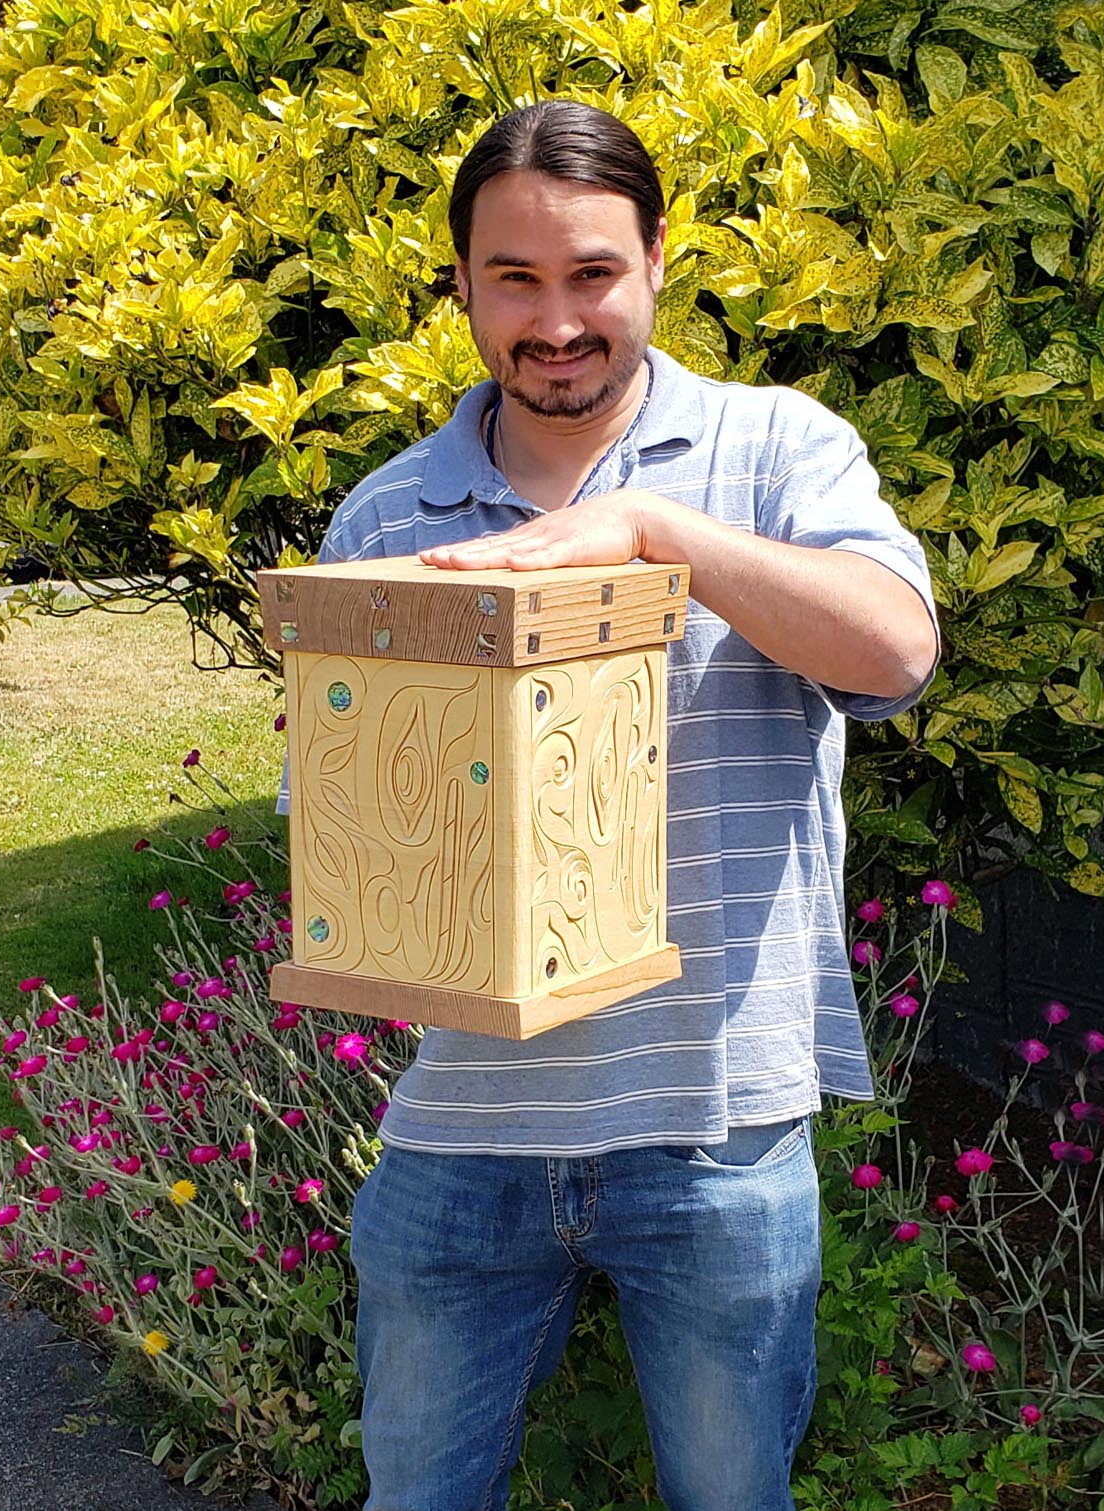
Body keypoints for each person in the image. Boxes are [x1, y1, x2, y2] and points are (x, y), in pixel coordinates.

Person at [280, 100, 939, 1511]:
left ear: (654, 264)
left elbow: (892, 651)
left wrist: (653, 537)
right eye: (512, 278)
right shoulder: (389, 520)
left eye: (590, 273)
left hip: (713, 1124)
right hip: (461, 1129)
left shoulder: (775, 451)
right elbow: (342, 808)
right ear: (459, 285)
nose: (555, 317)